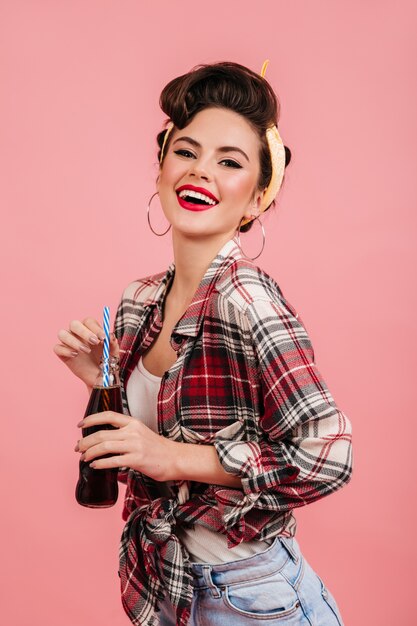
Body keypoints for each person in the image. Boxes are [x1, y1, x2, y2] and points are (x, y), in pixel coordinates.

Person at [54, 61, 353, 626]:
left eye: (230, 162)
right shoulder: (140, 301)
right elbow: (150, 457)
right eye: (186, 152)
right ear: (161, 165)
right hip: (170, 587)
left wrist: (172, 457)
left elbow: (328, 455)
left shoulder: (247, 298)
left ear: (258, 197)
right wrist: (104, 382)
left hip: (255, 597)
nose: (201, 173)